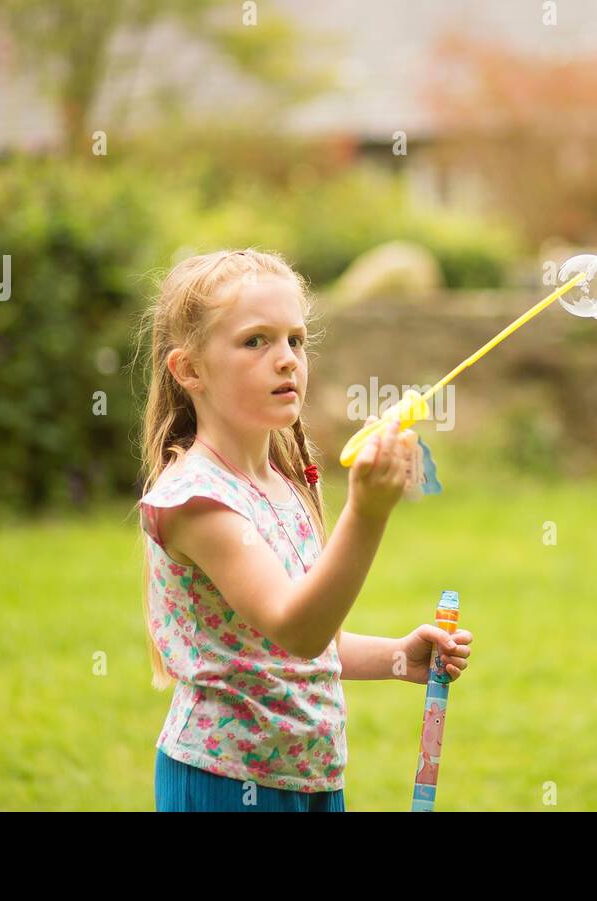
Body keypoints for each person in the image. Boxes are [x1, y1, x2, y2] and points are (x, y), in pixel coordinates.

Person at [136, 248, 473, 811]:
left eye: (296, 340)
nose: (287, 359)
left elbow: (317, 647)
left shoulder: (288, 485)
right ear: (190, 370)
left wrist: (397, 657)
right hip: (226, 781)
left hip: (310, 779)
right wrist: (366, 514)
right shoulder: (197, 501)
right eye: (256, 341)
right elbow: (297, 629)